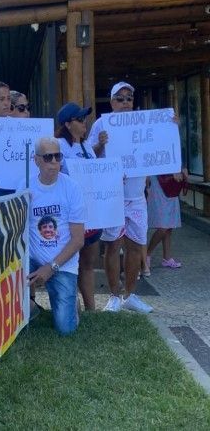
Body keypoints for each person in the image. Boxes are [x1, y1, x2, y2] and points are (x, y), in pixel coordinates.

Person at [87, 81, 152, 313]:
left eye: (129, 98)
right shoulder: (101, 124)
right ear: (112, 101)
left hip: (136, 196)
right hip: (113, 196)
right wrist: (99, 144)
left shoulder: (143, 122)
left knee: (136, 246)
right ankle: (114, 295)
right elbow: (89, 156)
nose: (125, 102)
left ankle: (130, 295)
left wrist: (170, 127)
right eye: (120, 98)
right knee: (113, 246)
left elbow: (158, 147)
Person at [24, 137, 86, 335]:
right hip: (32, 260)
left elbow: (78, 239)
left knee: (65, 329)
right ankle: (30, 307)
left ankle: (71, 303)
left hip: (62, 263)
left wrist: (51, 268)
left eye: (58, 157)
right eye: (48, 157)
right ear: (36, 160)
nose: (54, 162)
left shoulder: (72, 188)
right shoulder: (25, 188)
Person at [55, 102, 101, 310]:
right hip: (69, 216)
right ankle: (71, 307)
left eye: (85, 119)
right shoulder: (58, 146)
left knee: (88, 263)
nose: (84, 123)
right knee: (69, 264)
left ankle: (91, 309)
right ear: (67, 124)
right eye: (80, 119)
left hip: (91, 214)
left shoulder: (87, 146)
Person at [146, 169, 188, 272]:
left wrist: (181, 169)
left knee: (169, 225)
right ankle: (147, 254)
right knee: (163, 226)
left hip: (171, 179)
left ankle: (167, 257)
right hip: (158, 178)